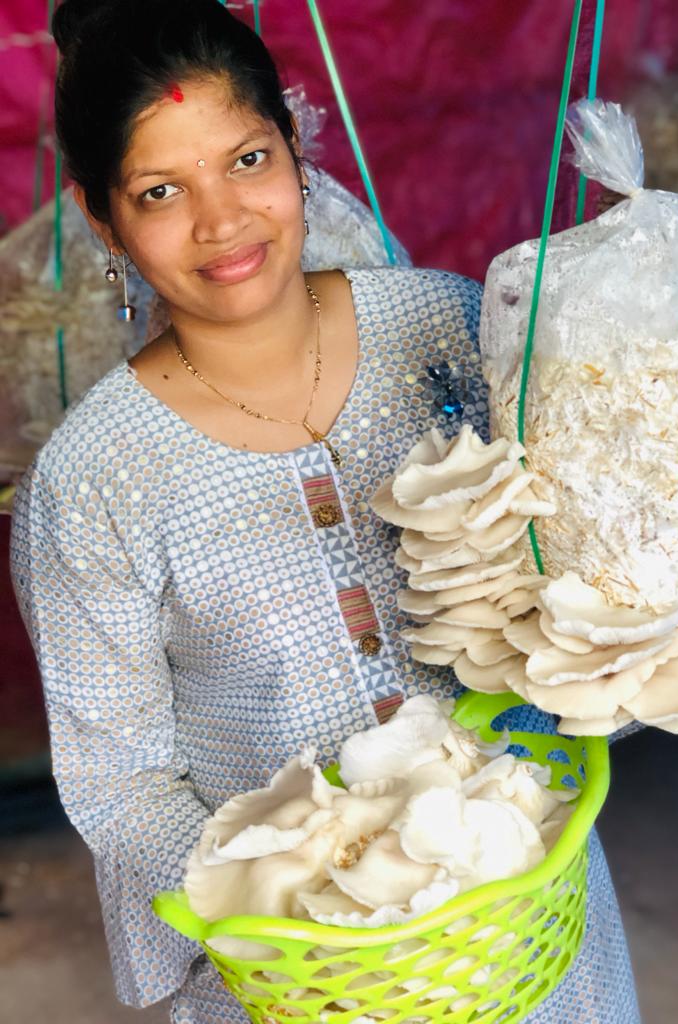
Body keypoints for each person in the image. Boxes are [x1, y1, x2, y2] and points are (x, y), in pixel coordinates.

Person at [10, 1, 640, 1021]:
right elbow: (122, 783)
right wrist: (311, 902)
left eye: (247, 160)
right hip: (301, 974)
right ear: (101, 217)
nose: (222, 221)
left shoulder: (453, 327)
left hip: (532, 919)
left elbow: (589, 557)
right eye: (162, 189)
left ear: (296, 150)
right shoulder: (93, 481)